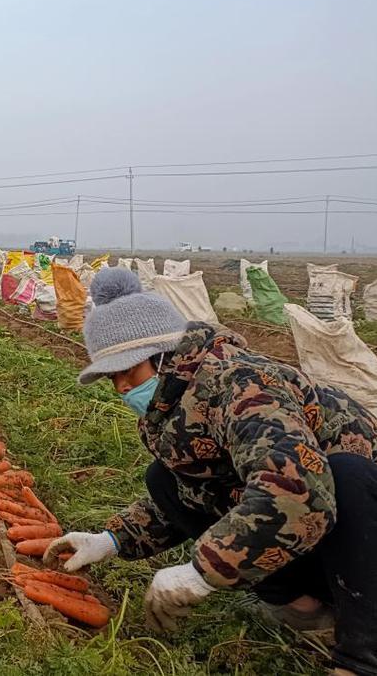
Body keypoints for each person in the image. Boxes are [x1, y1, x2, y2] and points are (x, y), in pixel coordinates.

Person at [44, 268, 377, 676]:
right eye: (112, 378)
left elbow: (297, 494)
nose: (120, 389)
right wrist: (112, 540)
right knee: (163, 479)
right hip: (318, 535)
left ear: (162, 356)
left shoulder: (242, 387)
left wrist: (204, 571)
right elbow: (190, 494)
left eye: (127, 373)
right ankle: (306, 606)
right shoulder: (171, 407)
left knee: (345, 475)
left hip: (359, 534)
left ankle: (361, 657)